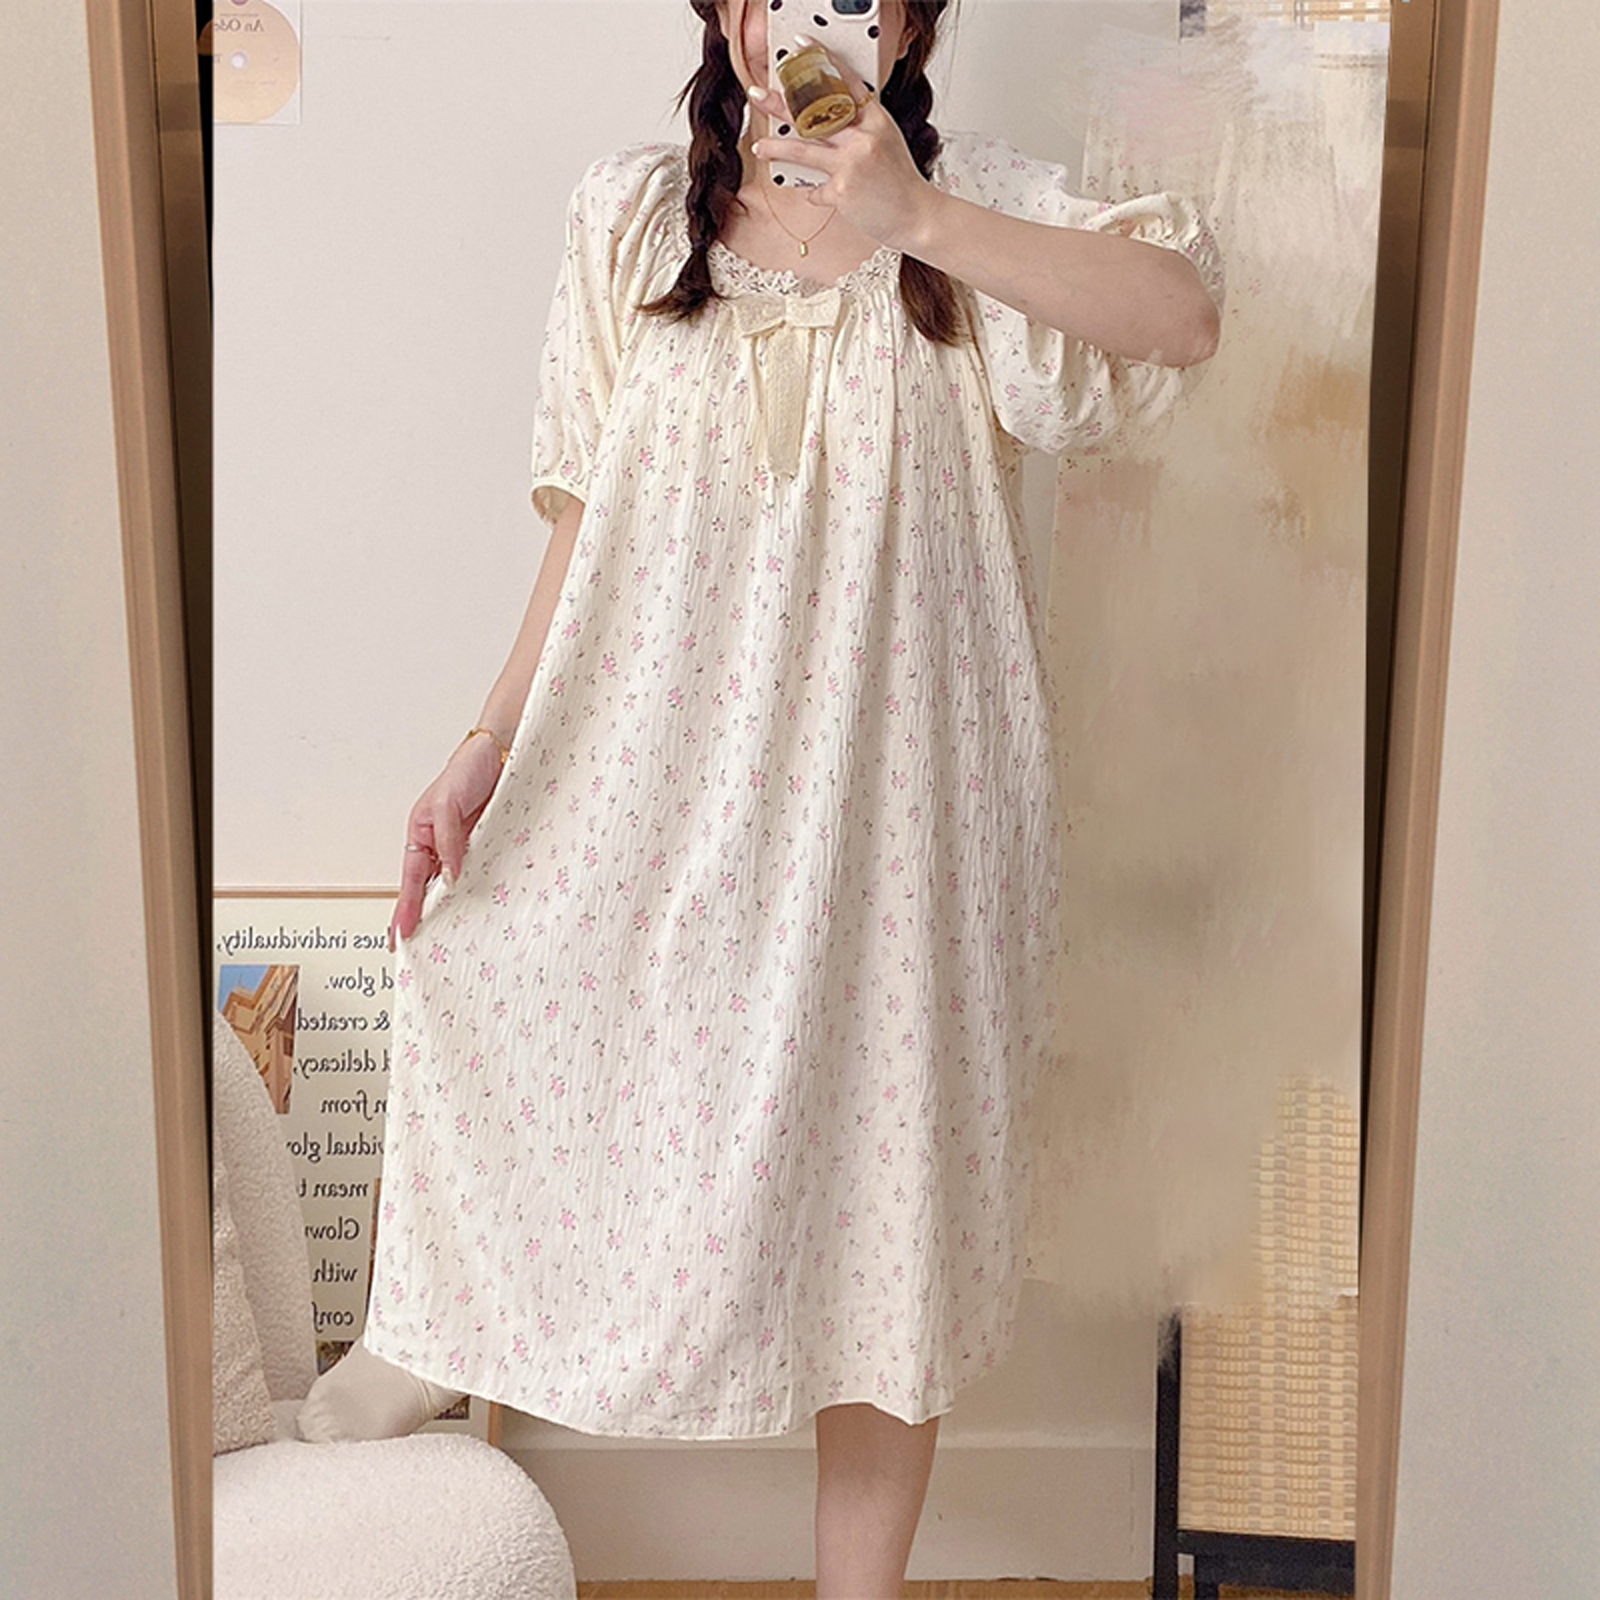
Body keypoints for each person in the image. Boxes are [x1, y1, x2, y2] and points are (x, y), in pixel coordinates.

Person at [361, 3, 1223, 1593]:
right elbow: (582, 518)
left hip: (909, 804)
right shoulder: (631, 217)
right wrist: (486, 740)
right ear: (725, 11)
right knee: (503, 984)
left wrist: (916, 216)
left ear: (908, 20)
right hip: (671, 771)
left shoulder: (981, 215)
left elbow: (1181, 320)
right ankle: (433, 1328)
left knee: (889, 1211)